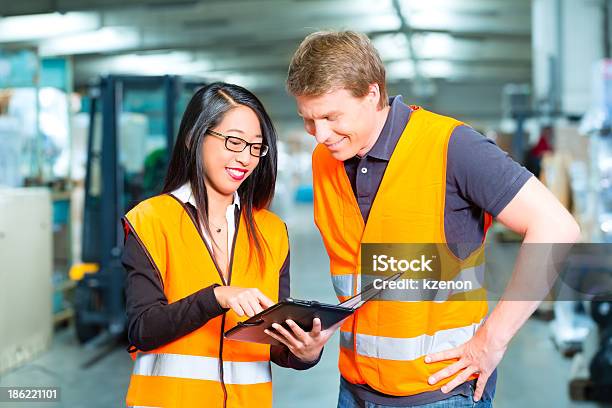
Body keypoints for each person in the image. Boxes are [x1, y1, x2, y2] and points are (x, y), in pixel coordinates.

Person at [286, 31, 581, 407]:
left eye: (331, 116)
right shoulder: (324, 161)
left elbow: (556, 226)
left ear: (372, 94)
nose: (320, 135)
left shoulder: (452, 146)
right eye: (309, 120)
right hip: (355, 388)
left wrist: (492, 340)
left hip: (440, 393)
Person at [121, 82, 334, 408]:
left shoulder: (271, 231)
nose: (245, 158)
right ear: (194, 137)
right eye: (234, 142)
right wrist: (217, 296)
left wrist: (303, 352)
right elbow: (142, 329)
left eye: (255, 147)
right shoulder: (150, 221)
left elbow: (272, 340)